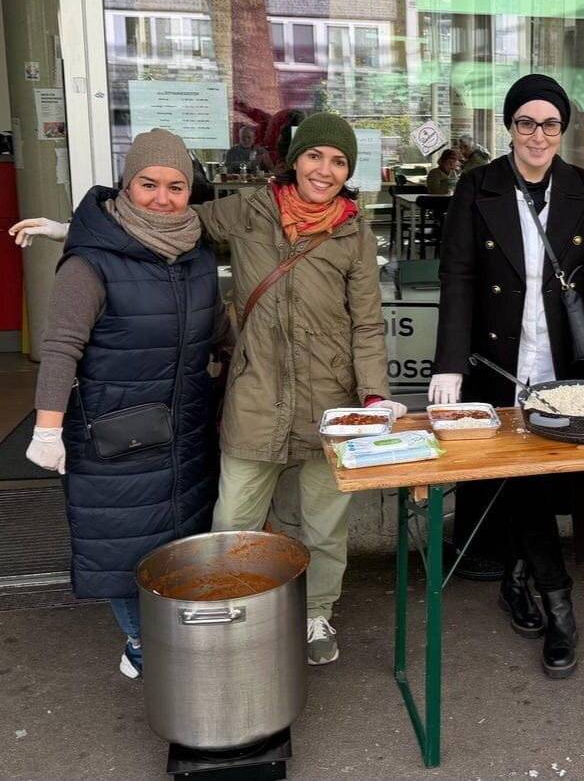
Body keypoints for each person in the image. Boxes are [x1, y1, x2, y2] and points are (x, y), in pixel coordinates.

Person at [12, 116, 405, 665]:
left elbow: (365, 324)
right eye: (315, 156)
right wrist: (77, 231)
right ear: (295, 160)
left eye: (339, 161)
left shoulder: (354, 234)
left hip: (328, 402)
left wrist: (372, 396)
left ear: (349, 171)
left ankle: (316, 612)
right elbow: (169, 220)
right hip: (255, 397)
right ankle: (231, 612)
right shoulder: (251, 209)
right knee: (233, 522)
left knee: (323, 523)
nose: (325, 169)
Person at [430, 74, 584, 679]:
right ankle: (558, 602)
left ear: (562, 130)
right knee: (521, 477)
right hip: (497, 363)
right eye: (526, 122)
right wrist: (448, 360)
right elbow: (460, 279)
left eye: (550, 124)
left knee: (543, 481)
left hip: (565, 367)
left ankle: (521, 579)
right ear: (509, 128)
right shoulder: (477, 188)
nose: (538, 135)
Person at [18, 129, 223, 679]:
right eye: (148, 184)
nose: (163, 198)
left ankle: (171, 638)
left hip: (188, 429)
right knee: (124, 551)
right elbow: (61, 346)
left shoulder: (197, 253)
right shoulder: (88, 265)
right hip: (118, 437)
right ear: (126, 185)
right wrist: (47, 428)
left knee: (179, 542)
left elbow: (216, 333)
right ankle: (139, 643)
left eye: (176, 186)